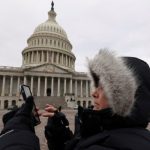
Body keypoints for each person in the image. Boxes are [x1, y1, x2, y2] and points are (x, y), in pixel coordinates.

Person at [1, 49, 150, 150]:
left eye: (103, 86)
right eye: (95, 85)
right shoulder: (109, 131)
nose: (93, 93)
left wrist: (17, 133)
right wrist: (60, 135)